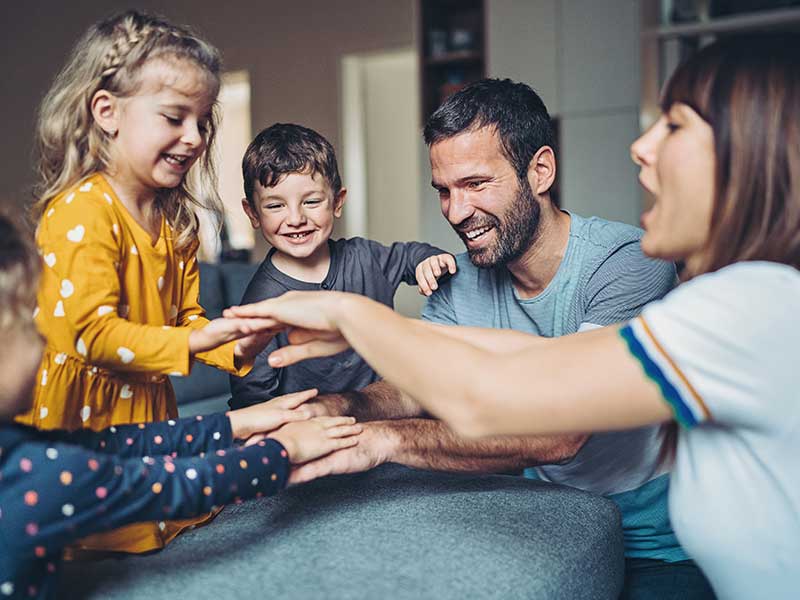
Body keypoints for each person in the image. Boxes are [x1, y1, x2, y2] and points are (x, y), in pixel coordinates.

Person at [227, 34, 800, 599]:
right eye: (443, 191)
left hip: (656, 549)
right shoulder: (731, 300)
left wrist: (353, 331)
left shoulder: (684, 284)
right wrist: (333, 408)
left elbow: (555, 422)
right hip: (548, 515)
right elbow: (491, 368)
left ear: (541, 171)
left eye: (475, 184)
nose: (455, 211)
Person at [17, 10, 277, 554]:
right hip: (82, 412)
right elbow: (90, 335)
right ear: (107, 113)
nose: (195, 138)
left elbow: (185, 319)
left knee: (154, 520)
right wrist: (191, 343)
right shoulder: (81, 213)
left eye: (202, 122)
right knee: (92, 537)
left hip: (145, 404)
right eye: (174, 117)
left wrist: (236, 346)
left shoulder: (177, 222)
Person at [0, 213, 362, 600]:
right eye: (29, 323)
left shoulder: (21, 449)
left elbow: (114, 444)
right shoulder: (41, 475)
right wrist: (282, 451)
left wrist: (233, 424)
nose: (44, 341)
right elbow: (179, 486)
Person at [229, 123, 454, 409]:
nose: (296, 218)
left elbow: (410, 254)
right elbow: (252, 394)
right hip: (314, 430)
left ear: (337, 202)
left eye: (311, 201)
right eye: (276, 206)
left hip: (387, 413)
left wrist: (428, 261)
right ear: (253, 213)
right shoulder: (262, 299)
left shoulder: (365, 257)